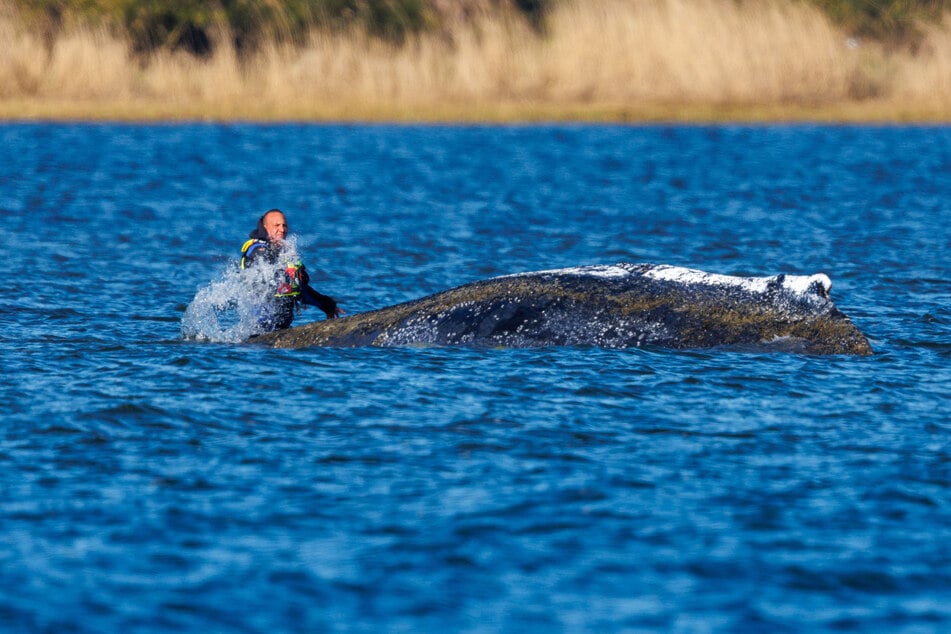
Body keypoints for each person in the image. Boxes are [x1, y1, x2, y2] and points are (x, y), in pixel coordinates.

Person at [240, 209, 343, 332]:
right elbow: (263, 262)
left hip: (282, 329)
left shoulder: (284, 253)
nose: (282, 230)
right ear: (265, 227)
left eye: (284, 225)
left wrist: (327, 305)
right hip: (260, 329)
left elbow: (300, 290)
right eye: (276, 225)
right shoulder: (255, 248)